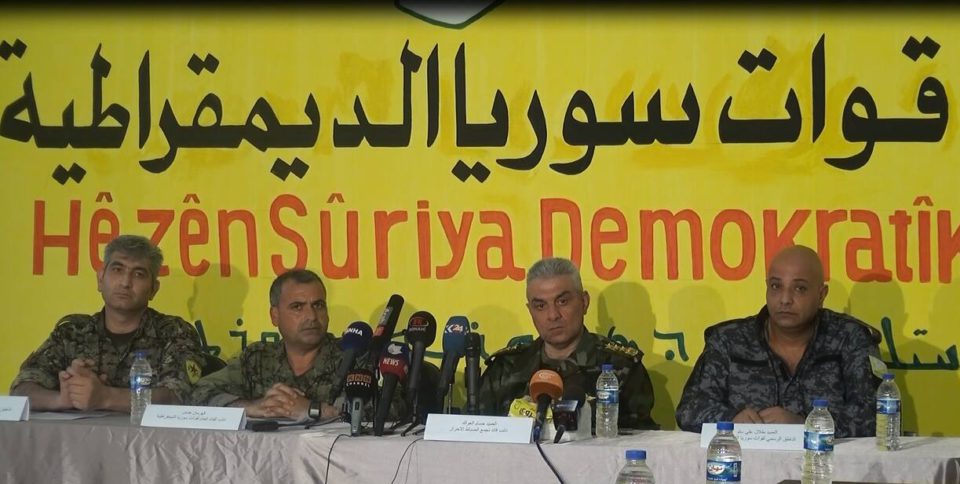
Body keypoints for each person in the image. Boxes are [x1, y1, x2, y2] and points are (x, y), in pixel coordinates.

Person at [675, 244, 882, 438]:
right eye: (776, 286)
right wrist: (732, 419)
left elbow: (878, 414)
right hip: (747, 462)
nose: (785, 299)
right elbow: (690, 409)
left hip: (824, 462)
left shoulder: (851, 338)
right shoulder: (728, 340)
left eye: (800, 288)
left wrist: (806, 425)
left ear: (821, 295)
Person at [10, 234, 205, 412]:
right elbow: (21, 389)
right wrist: (63, 399)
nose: (125, 282)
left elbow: (178, 398)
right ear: (100, 279)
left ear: (154, 288)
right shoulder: (72, 332)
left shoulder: (174, 332)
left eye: (138, 274)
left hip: (151, 440)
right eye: (117, 270)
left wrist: (105, 398)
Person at [191, 269, 406, 422]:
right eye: (297, 307)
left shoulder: (353, 355)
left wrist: (316, 410)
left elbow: (395, 407)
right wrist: (251, 407)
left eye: (318, 305)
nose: (311, 316)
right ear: (274, 315)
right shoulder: (257, 358)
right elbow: (197, 394)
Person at [478, 257, 658, 430]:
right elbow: (474, 438)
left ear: (584, 302)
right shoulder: (504, 369)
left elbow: (640, 441)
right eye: (540, 306)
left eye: (562, 301)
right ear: (530, 310)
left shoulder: (621, 368)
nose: (553, 315)